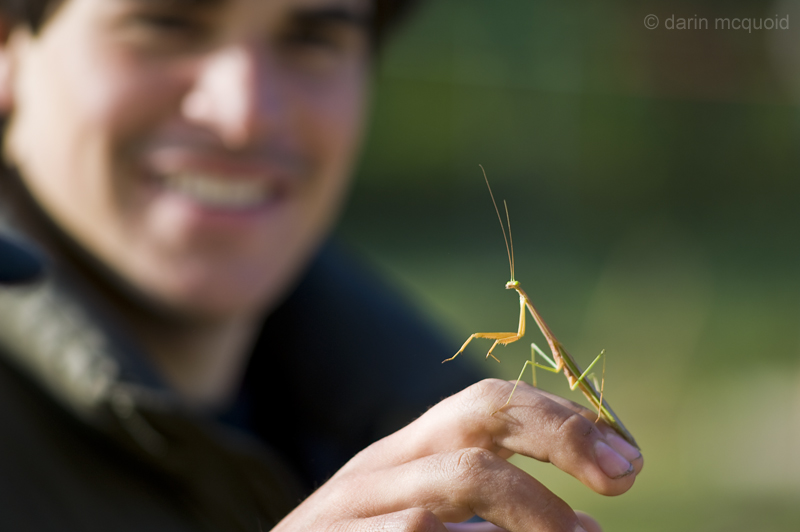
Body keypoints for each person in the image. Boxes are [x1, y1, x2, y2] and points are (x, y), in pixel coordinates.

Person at [0, 1, 643, 531]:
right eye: (167, 22)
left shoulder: (425, 416)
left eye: (311, 36)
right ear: (6, 45)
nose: (245, 115)